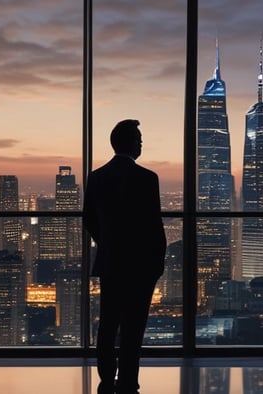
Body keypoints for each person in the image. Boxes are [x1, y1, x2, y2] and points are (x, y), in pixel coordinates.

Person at [83, 119, 167, 394]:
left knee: (108, 321)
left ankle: (107, 376)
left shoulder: (96, 177)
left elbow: (89, 221)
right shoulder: (147, 178)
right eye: (139, 138)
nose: (141, 143)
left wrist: (106, 243)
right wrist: (157, 261)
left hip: (110, 262)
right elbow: (154, 226)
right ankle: (128, 380)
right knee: (134, 325)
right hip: (141, 265)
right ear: (130, 143)